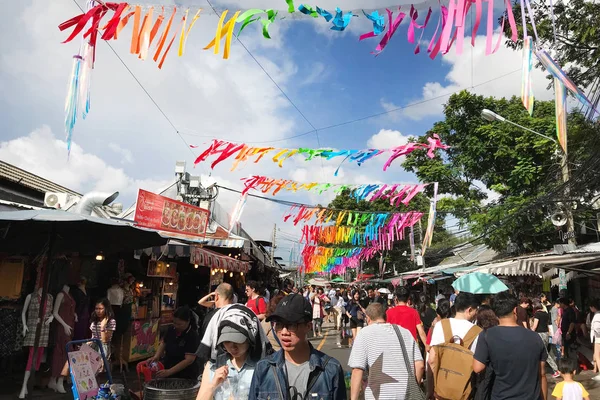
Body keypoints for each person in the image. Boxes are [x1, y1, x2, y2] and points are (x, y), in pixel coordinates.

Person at [248, 293, 347, 400]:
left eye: (291, 325)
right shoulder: (263, 368)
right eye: (279, 324)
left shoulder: (331, 370)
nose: (284, 332)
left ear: (308, 326)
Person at [473, 291, 548, 400]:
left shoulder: (487, 335)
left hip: (501, 396)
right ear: (515, 310)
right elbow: (542, 374)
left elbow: (477, 367)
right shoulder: (535, 337)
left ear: (495, 312)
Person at [348, 303, 424, 400]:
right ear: (385, 316)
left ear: (368, 318)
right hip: (405, 394)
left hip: (378, 395)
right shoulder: (405, 332)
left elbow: (357, 370)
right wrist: (412, 389)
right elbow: (420, 365)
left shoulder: (364, 333)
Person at [197, 312, 262, 399]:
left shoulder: (261, 367)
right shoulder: (213, 366)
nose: (233, 347)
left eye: (238, 340)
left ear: (249, 338)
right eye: (227, 341)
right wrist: (213, 385)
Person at [150, 306, 199, 380]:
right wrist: (156, 356)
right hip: (168, 366)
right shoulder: (171, 329)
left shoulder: (192, 336)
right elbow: (164, 343)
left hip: (185, 375)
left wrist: (169, 372)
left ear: (188, 321)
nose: (176, 326)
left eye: (179, 324)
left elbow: (189, 360)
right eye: (174, 323)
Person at [196, 283, 237, 363]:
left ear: (217, 296)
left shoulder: (213, 316)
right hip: (231, 357)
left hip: (212, 357)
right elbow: (200, 302)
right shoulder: (236, 315)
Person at [531, 299, 560, 378]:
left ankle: (556, 369)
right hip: (546, 333)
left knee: (545, 352)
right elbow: (546, 325)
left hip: (539, 334)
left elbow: (535, 325)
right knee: (542, 352)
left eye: (533, 305)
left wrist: (530, 332)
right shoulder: (546, 314)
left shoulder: (537, 314)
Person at [589, 299, 600, 382]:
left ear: (593, 307)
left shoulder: (596, 316)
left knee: (597, 355)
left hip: (598, 338)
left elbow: (597, 328)